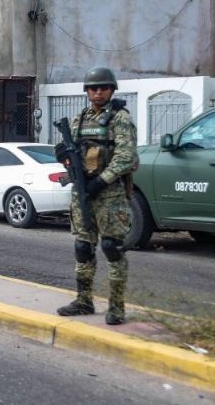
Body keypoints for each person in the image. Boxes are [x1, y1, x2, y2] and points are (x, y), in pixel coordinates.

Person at [55, 67, 138, 325]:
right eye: (93, 88)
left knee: (112, 247)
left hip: (110, 194)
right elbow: (75, 155)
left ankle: (116, 307)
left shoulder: (119, 118)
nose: (98, 92)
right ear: (87, 91)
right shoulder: (79, 119)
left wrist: (101, 182)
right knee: (82, 247)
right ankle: (84, 300)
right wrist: (65, 157)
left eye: (103, 87)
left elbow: (126, 158)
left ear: (112, 89)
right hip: (83, 192)